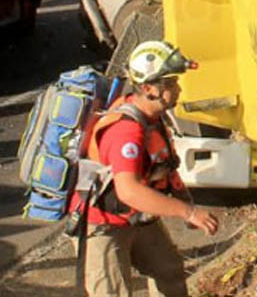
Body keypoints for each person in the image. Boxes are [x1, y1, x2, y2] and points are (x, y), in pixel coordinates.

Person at [69, 40, 218, 297]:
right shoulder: (126, 132)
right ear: (148, 88)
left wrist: (185, 199)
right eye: (170, 83)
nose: (178, 88)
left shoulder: (151, 117)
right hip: (102, 225)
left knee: (168, 270)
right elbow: (128, 191)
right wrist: (188, 212)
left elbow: (165, 165)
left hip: (135, 217)